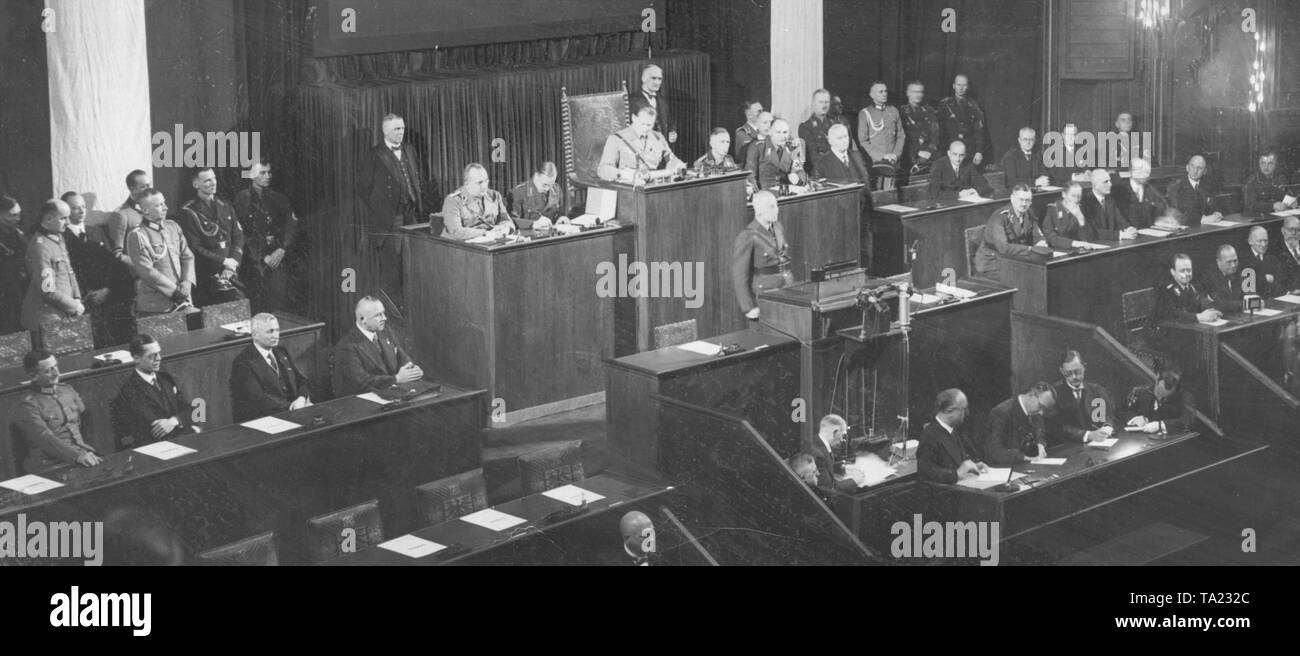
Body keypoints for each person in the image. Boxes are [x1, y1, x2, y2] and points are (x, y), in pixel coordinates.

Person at [356, 113, 432, 307]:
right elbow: (363, 188)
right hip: (391, 219)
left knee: (414, 261)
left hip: (412, 214)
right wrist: (382, 208)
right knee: (393, 268)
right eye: (396, 129)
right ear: (385, 131)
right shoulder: (374, 154)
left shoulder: (409, 149)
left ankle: (414, 308)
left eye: (403, 128)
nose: (401, 132)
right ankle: (393, 314)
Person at [11, 349, 101, 473]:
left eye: (55, 367)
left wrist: (87, 451)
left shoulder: (67, 390)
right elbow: (45, 439)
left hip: (83, 454)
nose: (56, 373)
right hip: (51, 465)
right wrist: (77, 456)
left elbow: (87, 419)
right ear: (33, 376)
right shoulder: (28, 405)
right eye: (48, 371)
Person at [62, 191, 130, 346]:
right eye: (75, 208)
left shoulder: (96, 231)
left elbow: (112, 265)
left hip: (106, 298)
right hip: (83, 301)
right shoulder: (61, 237)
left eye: (83, 207)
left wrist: (108, 289)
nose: (81, 211)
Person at [233, 161, 300, 314]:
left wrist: (283, 248)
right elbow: (240, 232)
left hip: (277, 257)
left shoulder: (279, 198)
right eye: (262, 173)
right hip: (253, 261)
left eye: (269, 172)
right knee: (256, 305)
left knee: (279, 302)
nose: (267, 176)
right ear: (252, 175)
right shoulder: (243, 198)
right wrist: (261, 257)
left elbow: (291, 224)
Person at [110, 334, 198, 450]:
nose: (159, 358)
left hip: (179, 438)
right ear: (136, 358)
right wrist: (179, 420)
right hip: (156, 447)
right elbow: (156, 427)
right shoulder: (130, 390)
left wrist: (174, 421)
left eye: (159, 353)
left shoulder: (166, 378)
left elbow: (190, 409)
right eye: (152, 356)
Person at [20, 199, 83, 348]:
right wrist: (73, 305)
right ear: (48, 219)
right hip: (47, 318)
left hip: (65, 313)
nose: (67, 222)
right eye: (63, 218)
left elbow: (69, 271)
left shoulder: (57, 238)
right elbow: (47, 290)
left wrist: (77, 298)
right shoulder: (40, 246)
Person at [333, 296, 424, 396]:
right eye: (378, 315)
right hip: (361, 401)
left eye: (383, 313)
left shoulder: (385, 332)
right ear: (363, 320)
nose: (384, 318)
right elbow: (361, 382)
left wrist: (411, 369)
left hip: (391, 393)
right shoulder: (347, 345)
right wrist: (397, 379)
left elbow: (402, 357)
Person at [179, 168, 245, 306]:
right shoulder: (189, 211)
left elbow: (238, 236)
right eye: (207, 180)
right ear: (196, 184)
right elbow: (194, 247)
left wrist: (232, 263)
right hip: (207, 275)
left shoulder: (225, 204)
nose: (213, 183)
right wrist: (223, 261)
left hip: (230, 271)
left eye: (214, 178)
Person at [125, 189, 195, 316]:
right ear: (145, 210)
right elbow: (148, 272)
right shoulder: (138, 235)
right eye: (159, 205)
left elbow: (187, 257)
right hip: (157, 306)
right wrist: (176, 293)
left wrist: (187, 281)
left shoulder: (173, 227)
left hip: (184, 298)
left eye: (164, 203)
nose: (165, 208)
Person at [229, 312, 311, 422]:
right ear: (255, 335)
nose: (276, 335)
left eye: (277, 330)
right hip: (264, 420)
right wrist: (291, 406)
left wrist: (302, 398)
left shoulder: (281, 352)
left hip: (293, 410)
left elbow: (301, 379)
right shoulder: (243, 362)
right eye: (270, 331)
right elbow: (259, 399)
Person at [731, 190, 792, 320]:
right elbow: (740, 276)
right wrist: (749, 307)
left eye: (776, 205)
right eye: (771, 207)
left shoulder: (778, 227)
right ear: (758, 211)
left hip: (786, 290)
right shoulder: (748, 236)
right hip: (764, 294)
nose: (776, 210)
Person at [974, 183, 1046, 281]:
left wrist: (1041, 242)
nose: (1024, 204)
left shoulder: (1029, 214)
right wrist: (1031, 249)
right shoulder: (1000, 217)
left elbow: (1037, 235)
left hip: (1013, 259)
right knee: (1026, 276)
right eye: (1021, 200)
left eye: (1027, 200)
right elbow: (1003, 248)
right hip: (991, 262)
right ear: (1012, 199)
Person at [596, 105, 685, 184]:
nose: (646, 128)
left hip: (653, 187)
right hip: (630, 191)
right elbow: (603, 169)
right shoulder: (616, 139)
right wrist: (621, 173)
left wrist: (678, 165)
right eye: (643, 124)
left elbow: (670, 158)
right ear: (634, 118)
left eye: (650, 125)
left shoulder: (658, 137)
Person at [916, 388, 988, 483]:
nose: (967, 413)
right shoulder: (930, 435)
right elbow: (926, 472)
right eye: (964, 409)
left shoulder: (954, 430)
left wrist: (973, 466)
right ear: (949, 411)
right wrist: (957, 473)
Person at [1048, 350, 1116, 446]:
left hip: (1100, 445)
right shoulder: (1054, 395)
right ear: (1062, 371)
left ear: (1084, 367)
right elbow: (1057, 427)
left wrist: (1107, 427)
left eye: (1078, 371)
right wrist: (1088, 435)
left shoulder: (1096, 390)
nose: (1074, 377)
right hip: (1071, 449)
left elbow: (1106, 416)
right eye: (1068, 373)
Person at [984, 382, 1055, 466]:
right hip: (1003, 469)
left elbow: (1040, 432)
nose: (1041, 412)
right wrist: (1025, 458)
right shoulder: (1001, 413)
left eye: (1045, 409)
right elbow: (995, 452)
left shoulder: (1035, 412)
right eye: (1040, 406)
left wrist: (1041, 444)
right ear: (1031, 394)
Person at [441, 163, 516, 241]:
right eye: (479, 182)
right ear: (467, 184)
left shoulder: (494, 196)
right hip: (462, 246)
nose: (484, 186)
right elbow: (456, 231)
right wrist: (485, 233)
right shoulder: (453, 200)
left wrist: (505, 229)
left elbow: (506, 220)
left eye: (486, 181)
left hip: (490, 241)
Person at [858, 81, 904, 189]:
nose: (884, 94)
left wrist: (895, 154)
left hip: (894, 161)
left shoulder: (893, 110)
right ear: (872, 95)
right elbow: (863, 141)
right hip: (876, 163)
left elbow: (901, 135)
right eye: (880, 92)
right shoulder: (865, 113)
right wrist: (882, 156)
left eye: (885, 91)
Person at [1154, 253, 1221, 324]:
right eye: (1182, 271)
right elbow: (1171, 315)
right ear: (1173, 272)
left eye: (1189, 270)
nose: (1186, 274)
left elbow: (1197, 306)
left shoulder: (1193, 286)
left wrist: (1210, 312)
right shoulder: (1166, 289)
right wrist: (1199, 317)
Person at [1123, 369, 1195, 434]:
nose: (1160, 399)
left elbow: (1188, 420)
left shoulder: (1185, 397)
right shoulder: (1142, 391)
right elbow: (1124, 411)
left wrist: (1161, 425)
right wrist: (1135, 419)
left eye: (1166, 397)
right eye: (1159, 392)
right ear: (1157, 379)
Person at [745, 117, 808, 190]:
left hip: (785, 192)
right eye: (778, 132)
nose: (782, 136)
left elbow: (801, 172)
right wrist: (758, 194)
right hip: (765, 194)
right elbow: (749, 175)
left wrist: (797, 178)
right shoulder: (758, 147)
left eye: (785, 132)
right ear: (770, 132)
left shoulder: (791, 149)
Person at [1042, 183, 1110, 250]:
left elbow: (1089, 238)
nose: (1076, 200)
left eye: (1079, 196)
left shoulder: (1081, 209)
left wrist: (1081, 219)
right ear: (1064, 194)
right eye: (1073, 196)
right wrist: (1075, 243)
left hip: (1078, 250)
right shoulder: (1053, 209)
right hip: (1058, 250)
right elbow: (1052, 239)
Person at [937, 75, 987, 166]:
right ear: (954, 86)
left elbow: (978, 130)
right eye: (958, 85)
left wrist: (979, 151)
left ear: (967, 87)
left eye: (964, 85)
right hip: (950, 151)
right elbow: (940, 132)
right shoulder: (944, 105)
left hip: (969, 152)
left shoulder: (974, 105)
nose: (961, 88)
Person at [106, 169, 152, 267]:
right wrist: (143, 269)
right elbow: (118, 254)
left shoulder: (154, 208)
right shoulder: (121, 215)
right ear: (132, 189)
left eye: (149, 185)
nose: (149, 190)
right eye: (144, 187)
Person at [800, 88, 850, 176]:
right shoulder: (805, 127)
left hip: (839, 166)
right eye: (821, 102)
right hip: (821, 170)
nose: (824, 105)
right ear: (813, 104)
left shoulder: (836, 124)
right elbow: (813, 156)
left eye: (826, 102)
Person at [1165, 155, 1222, 227]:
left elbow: (1212, 205)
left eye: (1199, 168)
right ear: (1187, 168)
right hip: (1185, 230)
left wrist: (1216, 213)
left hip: (1205, 228)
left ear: (1205, 171)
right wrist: (1201, 220)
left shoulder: (1208, 186)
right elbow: (1178, 214)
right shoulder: (1176, 187)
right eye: (1192, 167)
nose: (1195, 171)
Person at [1081, 169, 1138, 240]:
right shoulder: (1085, 202)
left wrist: (1130, 228)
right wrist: (1121, 235)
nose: (1110, 184)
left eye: (1110, 181)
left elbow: (1121, 220)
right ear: (1096, 185)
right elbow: (1092, 232)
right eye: (1106, 182)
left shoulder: (1110, 200)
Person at [1111, 157, 1168, 230]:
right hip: (1127, 233)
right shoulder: (1119, 190)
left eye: (1146, 171)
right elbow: (1117, 216)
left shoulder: (1151, 189)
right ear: (1131, 172)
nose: (1144, 174)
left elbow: (1159, 210)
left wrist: (1163, 219)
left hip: (1149, 233)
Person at [806, 414, 857, 492]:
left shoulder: (818, 442)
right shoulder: (818, 454)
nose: (842, 440)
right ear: (834, 432)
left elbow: (826, 467)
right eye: (842, 435)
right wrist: (855, 481)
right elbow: (829, 487)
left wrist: (842, 468)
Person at [508, 161, 565, 230]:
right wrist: (533, 224)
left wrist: (562, 218)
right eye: (545, 185)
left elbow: (560, 213)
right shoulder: (519, 192)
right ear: (536, 176)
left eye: (551, 184)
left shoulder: (556, 189)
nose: (547, 189)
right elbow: (512, 221)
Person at [900, 81, 940, 177]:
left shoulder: (929, 111)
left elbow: (935, 135)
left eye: (920, 92)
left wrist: (929, 151)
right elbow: (900, 138)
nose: (918, 95)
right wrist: (917, 151)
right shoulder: (900, 112)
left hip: (928, 155)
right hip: (908, 156)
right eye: (914, 92)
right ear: (908, 93)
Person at [928, 140, 992, 200]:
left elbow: (985, 186)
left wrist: (973, 191)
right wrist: (959, 194)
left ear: (965, 155)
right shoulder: (938, 165)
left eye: (961, 155)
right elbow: (934, 194)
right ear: (949, 153)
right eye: (955, 154)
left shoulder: (968, 165)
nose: (958, 159)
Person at [628, 63, 676, 145]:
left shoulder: (662, 100)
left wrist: (672, 131)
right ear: (643, 79)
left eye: (660, 79)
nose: (657, 82)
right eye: (653, 78)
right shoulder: (632, 100)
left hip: (660, 149)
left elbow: (669, 121)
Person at [1, 195, 28, 335]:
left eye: (19, 214)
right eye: (13, 215)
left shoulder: (19, 234)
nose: (18, 218)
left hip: (19, 294)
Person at [1243, 150, 1296, 216]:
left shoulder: (1280, 178)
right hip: (1256, 217)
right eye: (1263, 163)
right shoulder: (1252, 181)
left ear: (1275, 164)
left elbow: (1288, 194)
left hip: (1278, 214)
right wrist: (1273, 206)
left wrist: (1292, 202)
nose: (1266, 167)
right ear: (1259, 164)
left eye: (1270, 163)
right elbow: (1250, 204)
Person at [1240, 226, 1280, 298]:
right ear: (1250, 241)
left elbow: (1279, 280)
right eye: (1260, 241)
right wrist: (1265, 279)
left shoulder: (1272, 258)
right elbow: (1247, 285)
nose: (1263, 244)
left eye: (1265, 241)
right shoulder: (1243, 259)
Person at [1202, 244, 1244, 313]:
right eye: (1229, 262)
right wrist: (1245, 304)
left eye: (1235, 261)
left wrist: (1255, 300)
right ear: (1218, 262)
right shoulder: (1208, 277)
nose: (1233, 265)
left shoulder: (1240, 272)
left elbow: (1247, 294)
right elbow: (1221, 304)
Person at [1276, 217, 1300, 293]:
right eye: (1290, 229)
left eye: (1297, 230)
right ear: (1283, 231)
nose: (1293, 233)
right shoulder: (1275, 252)